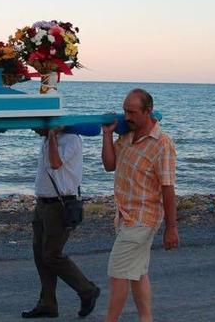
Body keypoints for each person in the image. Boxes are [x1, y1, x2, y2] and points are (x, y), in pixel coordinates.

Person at [100, 89, 178, 322]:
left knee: (118, 273)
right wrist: (107, 135)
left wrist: (171, 227)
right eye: (125, 111)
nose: (127, 117)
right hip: (125, 215)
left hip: (143, 219)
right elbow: (109, 165)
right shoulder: (126, 135)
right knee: (137, 274)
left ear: (148, 111)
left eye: (132, 112)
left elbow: (168, 187)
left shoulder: (162, 144)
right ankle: (146, 318)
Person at [22, 127, 101, 319]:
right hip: (43, 203)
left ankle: (87, 290)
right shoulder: (47, 139)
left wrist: (51, 136)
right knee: (40, 255)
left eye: (36, 126)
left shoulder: (71, 139)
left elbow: (56, 163)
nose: (33, 130)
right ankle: (47, 303)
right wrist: (49, 137)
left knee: (51, 255)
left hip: (60, 205)